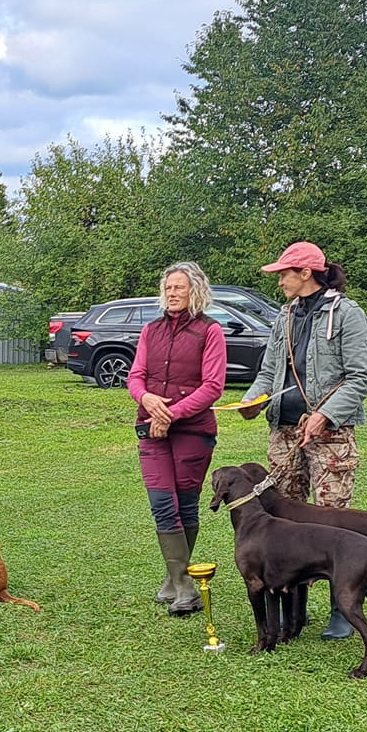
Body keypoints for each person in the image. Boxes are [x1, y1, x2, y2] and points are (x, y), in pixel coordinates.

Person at [239, 241, 367, 638]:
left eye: (284, 273)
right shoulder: (284, 316)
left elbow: (360, 378)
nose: (279, 280)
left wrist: (325, 415)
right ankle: (291, 610)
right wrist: (251, 402)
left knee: (333, 518)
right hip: (283, 431)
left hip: (330, 434)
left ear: (306, 273)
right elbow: (269, 373)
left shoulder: (347, 315)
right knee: (283, 522)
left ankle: (343, 607)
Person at [127, 262, 227, 616]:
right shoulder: (150, 331)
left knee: (185, 505)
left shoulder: (210, 331)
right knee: (161, 504)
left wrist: (170, 414)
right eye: (168, 287)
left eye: (179, 287)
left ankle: (176, 580)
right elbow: (135, 375)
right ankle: (185, 585)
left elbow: (213, 386)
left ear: (195, 290)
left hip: (193, 433)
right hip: (151, 430)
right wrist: (147, 400)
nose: (171, 293)